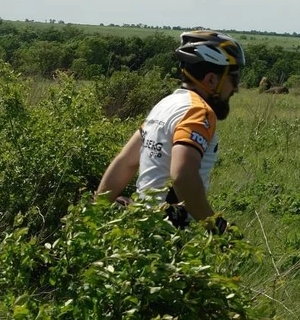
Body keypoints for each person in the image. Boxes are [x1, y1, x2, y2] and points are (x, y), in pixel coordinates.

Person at [96, 30, 245, 231]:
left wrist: (95, 212)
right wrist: (215, 226)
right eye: (234, 79)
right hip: (169, 233)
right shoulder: (199, 111)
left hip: (140, 222)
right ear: (211, 80)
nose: (236, 89)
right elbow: (183, 175)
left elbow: (126, 162)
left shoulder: (166, 105)